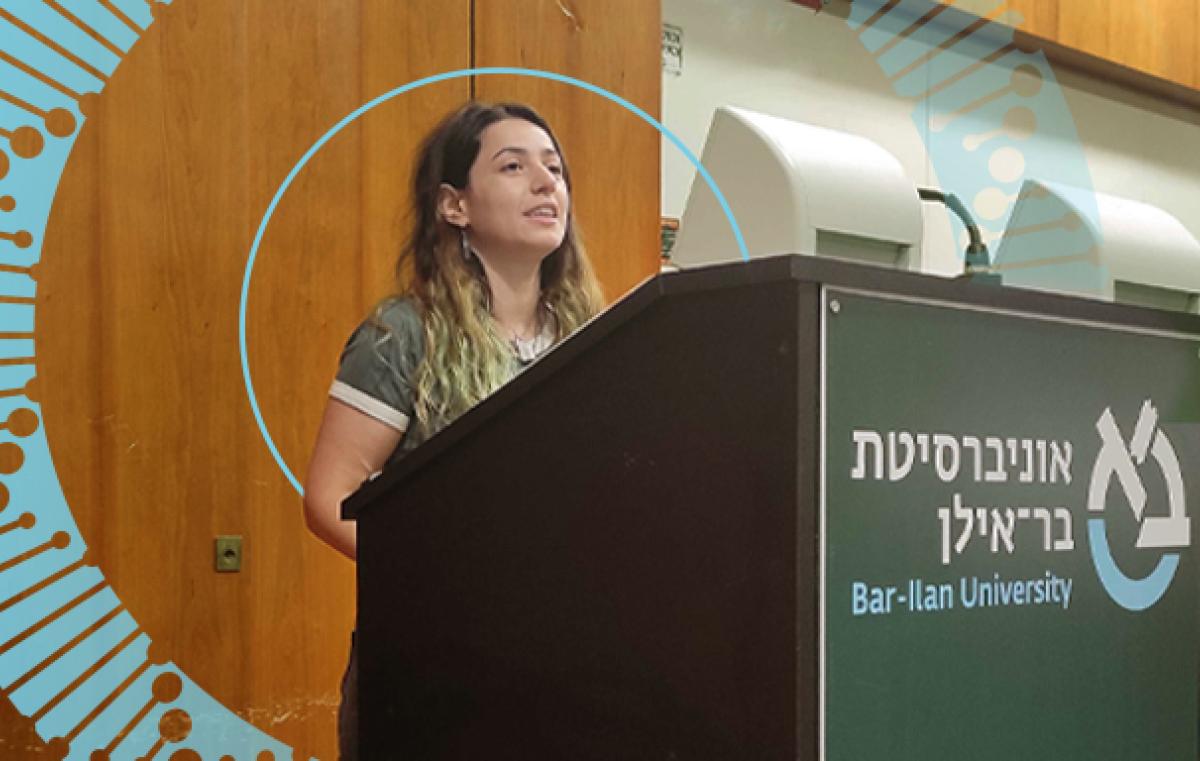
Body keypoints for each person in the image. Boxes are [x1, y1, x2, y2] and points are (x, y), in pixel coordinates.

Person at [302, 101, 605, 760]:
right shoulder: (401, 335)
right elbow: (329, 499)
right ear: (454, 205)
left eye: (554, 169)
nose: (545, 183)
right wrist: (450, 577)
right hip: (430, 667)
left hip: (561, 668)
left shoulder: (596, 340)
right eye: (514, 167)